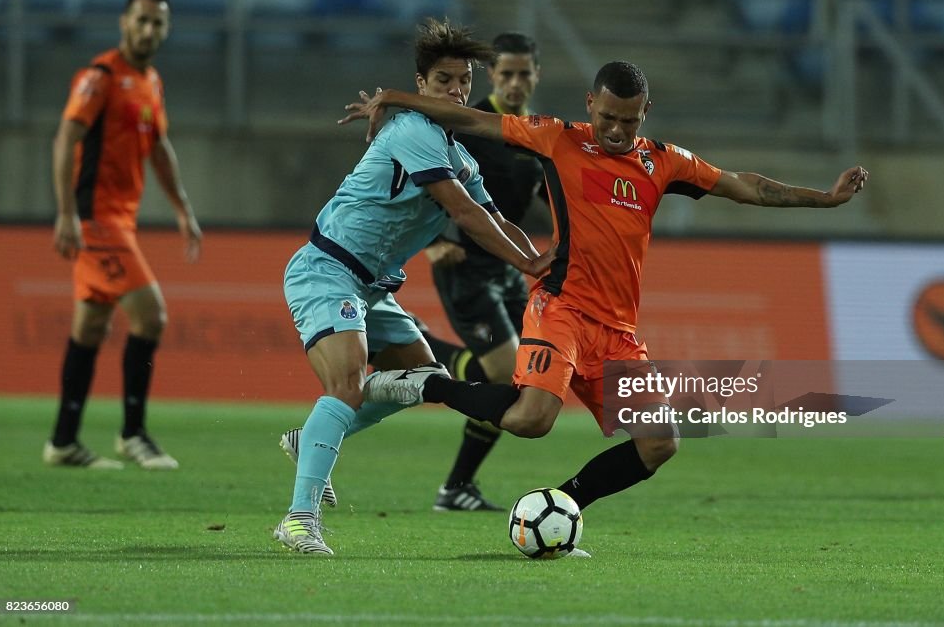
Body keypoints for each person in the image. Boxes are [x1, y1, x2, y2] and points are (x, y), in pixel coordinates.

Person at [342, 60, 869, 555]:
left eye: (628, 120)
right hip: (562, 307)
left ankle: (565, 505)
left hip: (618, 331)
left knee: (660, 442)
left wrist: (825, 198)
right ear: (590, 103)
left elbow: (745, 186)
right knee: (531, 419)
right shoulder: (556, 138)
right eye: (607, 117)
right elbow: (470, 118)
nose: (615, 130)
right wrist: (393, 97)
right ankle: (423, 384)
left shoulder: (664, 161)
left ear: (646, 112)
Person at [273, 18, 553, 555]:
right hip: (326, 269)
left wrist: (537, 257)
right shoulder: (413, 131)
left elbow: (494, 219)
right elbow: (465, 214)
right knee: (349, 382)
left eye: (464, 82)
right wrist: (531, 265)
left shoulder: (462, 154)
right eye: (445, 81)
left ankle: (310, 440)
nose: (457, 91)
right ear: (423, 84)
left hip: (372, 287)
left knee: (423, 374)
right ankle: (298, 519)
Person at [44, 0, 202, 471]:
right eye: (141, 20)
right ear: (124, 22)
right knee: (151, 316)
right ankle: (133, 433)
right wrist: (67, 212)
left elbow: (158, 148)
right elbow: (66, 136)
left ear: (166, 30)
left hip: (119, 220)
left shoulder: (150, 81)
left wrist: (183, 207)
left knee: (91, 326)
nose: (149, 30)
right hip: (96, 220)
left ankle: (63, 442)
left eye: (158, 23)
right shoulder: (102, 77)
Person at [420, 31, 546, 512]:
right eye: (506, 73)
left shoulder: (536, 132)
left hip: (509, 270)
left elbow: (537, 194)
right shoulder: (469, 125)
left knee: (520, 384)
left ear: (537, 76)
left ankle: (456, 489)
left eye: (523, 73)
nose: (515, 82)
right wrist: (433, 243)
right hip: (465, 265)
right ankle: (424, 355)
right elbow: (419, 177)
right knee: (503, 377)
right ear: (492, 77)